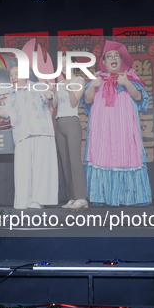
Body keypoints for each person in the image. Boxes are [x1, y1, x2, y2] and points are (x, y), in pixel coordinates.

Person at [82, 40, 151, 206]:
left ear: (121, 61)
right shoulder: (97, 80)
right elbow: (87, 100)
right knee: (101, 156)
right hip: (102, 130)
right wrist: (92, 87)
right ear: (104, 62)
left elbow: (139, 97)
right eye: (109, 56)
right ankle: (101, 197)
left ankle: (130, 197)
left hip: (124, 128)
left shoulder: (131, 78)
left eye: (116, 56)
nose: (113, 58)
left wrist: (126, 83)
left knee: (126, 156)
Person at [0, 66, 59, 210]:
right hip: (21, 135)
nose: (13, 77)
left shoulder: (37, 87)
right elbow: (7, 113)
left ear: (25, 76)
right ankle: (22, 201)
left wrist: (49, 94)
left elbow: (49, 99)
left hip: (41, 132)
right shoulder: (11, 95)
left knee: (40, 169)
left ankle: (37, 201)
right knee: (22, 170)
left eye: (17, 74)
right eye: (11, 75)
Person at [54, 69, 89, 211]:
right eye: (61, 64)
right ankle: (72, 197)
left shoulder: (79, 80)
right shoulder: (60, 82)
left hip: (72, 121)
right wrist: (51, 94)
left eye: (65, 62)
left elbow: (74, 102)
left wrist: (68, 89)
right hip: (59, 121)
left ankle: (82, 198)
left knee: (74, 160)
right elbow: (55, 104)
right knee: (65, 161)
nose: (63, 66)